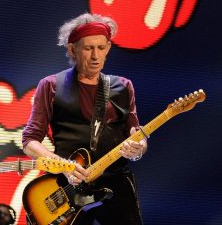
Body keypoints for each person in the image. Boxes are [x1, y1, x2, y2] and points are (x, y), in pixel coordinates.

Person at [22, 13, 147, 224]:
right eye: (88, 48)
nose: (96, 56)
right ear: (72, 49)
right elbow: (30, 141)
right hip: (67, 185)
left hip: (115, 182)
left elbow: (136, 136)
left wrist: (139, 148)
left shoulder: (123, 86)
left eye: (101, 47)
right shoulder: (51, 85)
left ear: (108, 48)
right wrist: (62, 165)